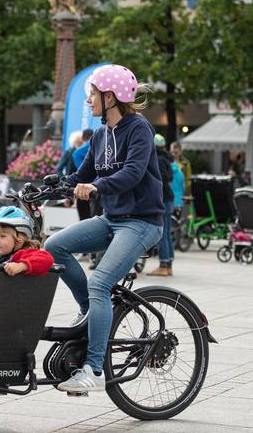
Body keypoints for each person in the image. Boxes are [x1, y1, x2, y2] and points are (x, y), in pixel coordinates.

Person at [44, 64, 164, 393]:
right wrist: (48, 190)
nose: (89, 101)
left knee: (99, 282)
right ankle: (89, 312)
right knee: (53, 246)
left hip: (142, 221)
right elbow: (79, 176)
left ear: (110, 97)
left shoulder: (138, 129)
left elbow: (134, 173)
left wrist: (96, 187)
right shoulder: (99, 135)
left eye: (93, 95)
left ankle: (94, 369)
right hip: (111, 219)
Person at [0, 206, 54, 276]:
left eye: (3, 236)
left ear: (19, 239)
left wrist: (21, 266)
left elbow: (47, 259)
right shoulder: (2, 258)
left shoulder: (24, 254)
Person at [147, 134, 176, 277]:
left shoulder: (157, 160)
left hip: (163, 199)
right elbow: (169, 178)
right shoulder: (166, 160)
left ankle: (163, 265)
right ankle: (168, 263)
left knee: (162, 233)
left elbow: (161, 181)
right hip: (169, 199)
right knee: (167, 232)